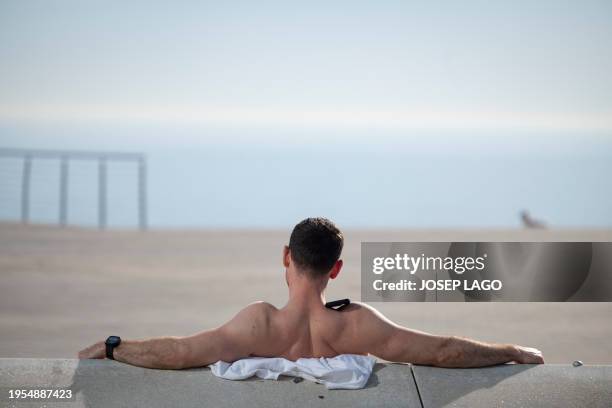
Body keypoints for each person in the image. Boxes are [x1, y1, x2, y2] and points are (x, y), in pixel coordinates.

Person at [78, 217, 544, 369]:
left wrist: (114, 347)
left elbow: (181, 353)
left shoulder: (258, 323)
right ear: (335, 269)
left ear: (286, 258)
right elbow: (441, 351)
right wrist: (513, 351)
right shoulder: (356, 324)